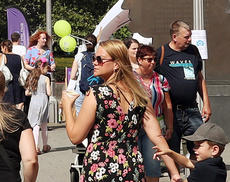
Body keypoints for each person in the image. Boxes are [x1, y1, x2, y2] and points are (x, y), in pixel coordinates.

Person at [61, 39, 187, 182]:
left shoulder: (97, 94)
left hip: (100, 169)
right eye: (93, 58)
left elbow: (75, 137)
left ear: (116, 64)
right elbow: (157, 136)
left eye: (99, 59)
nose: (94, 63)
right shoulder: (140, 94)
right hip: (131, 169)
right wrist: (174, 173)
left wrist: (67, 105)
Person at [159, 20, 211, 155]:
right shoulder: (162, 53)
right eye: (186, 37)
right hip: (172, 113)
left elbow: (200, 78)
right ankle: (176, 176)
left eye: (190, 36)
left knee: (199, 148)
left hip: (192, 110)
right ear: (174, 37)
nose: (189, 40)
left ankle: (196, 176)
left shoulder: (193, 51)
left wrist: (206, 103)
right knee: (173, 152)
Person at [135, 44, 175, 182]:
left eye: (154, 59)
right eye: (148, 59)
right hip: (134, 127)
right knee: (134, 165)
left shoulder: (161, 79)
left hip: (154, 127)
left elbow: (167, 105)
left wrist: (169, 127)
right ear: (139, 60)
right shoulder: (130, 78)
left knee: (152, 164)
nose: (152, 62)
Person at [164, 122, 229, 182]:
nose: (194, 148)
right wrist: (170, 153)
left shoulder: (202, 168)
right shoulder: (218, 164)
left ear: (215, 150)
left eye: (198, 146)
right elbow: (187, 162)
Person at [23, 48, 52, 154]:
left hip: (34, 101)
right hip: (43, 101)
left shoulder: (32, 78)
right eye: (46, 67)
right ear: (42, 67)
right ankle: (44, 145)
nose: (47, 69)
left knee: (35, 124)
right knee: (43, 124)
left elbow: (27, 93)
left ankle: (35, 145)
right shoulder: (46, 79)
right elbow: (49, 93)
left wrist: (35, 92)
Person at [0, 41, 25, 110]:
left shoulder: (4, 57)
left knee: (9, 103)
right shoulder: (18, 57)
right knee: (18, 102)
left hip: (9, 82)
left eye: (1, 48)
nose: (1, 50)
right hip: (18, 81)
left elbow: (1, 69)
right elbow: (22, 68)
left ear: (5, 47)